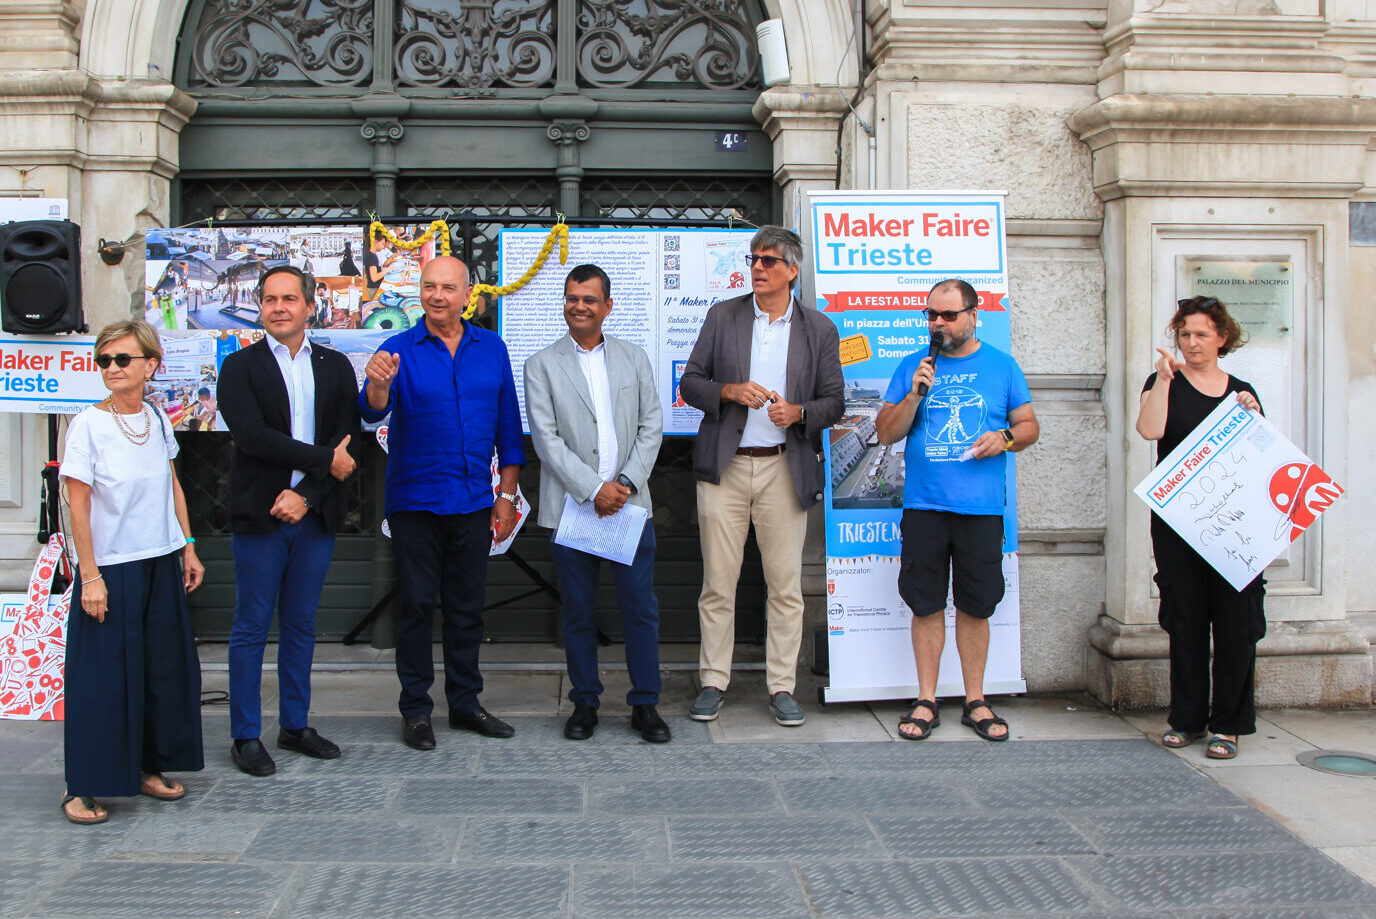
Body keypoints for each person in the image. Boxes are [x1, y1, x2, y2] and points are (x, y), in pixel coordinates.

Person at [679, 225, 844, 727]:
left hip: (783, 466)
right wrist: (729, 391)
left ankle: (781, 686)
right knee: (718, 584)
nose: (757, 267)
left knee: (785, 586)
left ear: (792, 271)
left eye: (769, 261)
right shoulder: (723, 316)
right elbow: (691, 382)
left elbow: (834, 401)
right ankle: (713, 680)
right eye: (754, 258)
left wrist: (798, 413)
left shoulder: (819, 329)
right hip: (726, 466)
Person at [359, 255, 524, 750]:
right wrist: (377, 386)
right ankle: (415, 710)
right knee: (415, 607)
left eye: (448, 288)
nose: (437, 296)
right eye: (429, 287)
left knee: (467, 609)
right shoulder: (396, 349)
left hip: (474, 500)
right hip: (415, 502)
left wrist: (507, 496)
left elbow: (508, 429)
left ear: (467, 293)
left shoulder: (490, 348)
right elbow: (370, 415)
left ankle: (466, 703)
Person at [874, 278, 1039, 742]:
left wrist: (1003, 439)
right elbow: (886, 433)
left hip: (981, 509)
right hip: (925, 506)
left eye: (947, 315)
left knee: (975, 605)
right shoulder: (913, 366)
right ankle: (926, 698)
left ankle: (975, 699)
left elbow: (1028, 426)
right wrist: (913, 395)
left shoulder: (1002, 367)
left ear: (973, 314)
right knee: (925, 604)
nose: (938, 323)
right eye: (931, 315)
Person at [217, 265, 361, 777]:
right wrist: (323, 461)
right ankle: (245, 734)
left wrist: (306, 493)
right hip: (260, 515)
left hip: (313, 513)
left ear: (309, 304)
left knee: (301, 624)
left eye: (289, 298)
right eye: (270, 299)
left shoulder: (336, 366)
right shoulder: (239, 367)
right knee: (251, 626)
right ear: (260, 305)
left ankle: (295, 725)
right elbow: (253, 437)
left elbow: (347, 444)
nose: (279, 307)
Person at [60, 318, 205, 824]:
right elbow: (77, 506)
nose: (112, 369)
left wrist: (187, 545)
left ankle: (149, 766)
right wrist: (90, 576)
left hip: (160, 559)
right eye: (104, 360)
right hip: (112, 569)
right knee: (101, 679)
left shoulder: (158, 418)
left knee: (161, 671)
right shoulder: (88, 425)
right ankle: (83, 785)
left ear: (150, 365)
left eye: (122, 359)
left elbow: (172, 487)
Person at [524, 264, 669, 743]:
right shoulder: (541, 365)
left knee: (640, 610)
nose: (579, 306)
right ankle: (584, 701)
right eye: (572, 298)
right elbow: (546, 441)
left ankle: (645, 704)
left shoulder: (633, 359)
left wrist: (623, 483)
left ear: (607, 306)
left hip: (630, 506)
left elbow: (652, 425)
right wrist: (593, 488)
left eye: (589, 299)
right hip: (573, 508)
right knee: (579, 612)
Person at [1135, 296, 1264, 760]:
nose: (1191, 342)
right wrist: (1164, 383)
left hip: (1234, 526)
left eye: (1201, 334)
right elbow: (1150, 431)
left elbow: (1261, 460)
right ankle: (1186, 720)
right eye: (1185, 334)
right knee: (1186, 622)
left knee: (1235, 626)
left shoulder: (1242, 390)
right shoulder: (1162, 379)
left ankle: (1227, 725)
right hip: (1178, 525)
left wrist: (1252, 415)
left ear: (1221, 338)